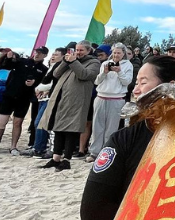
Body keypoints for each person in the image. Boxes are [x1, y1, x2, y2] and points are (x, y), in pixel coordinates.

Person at [80, 55, 175, 220]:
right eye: (136, 83)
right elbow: (94, 207)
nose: (135, 90)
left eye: (143, 83)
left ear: (170, 87)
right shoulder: (125, 139)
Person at [38, 40, 99, 172]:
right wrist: (65, 61)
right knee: (58, 128)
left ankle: (67, 160)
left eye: (81, 50)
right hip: (61, 98)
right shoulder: (70, 60)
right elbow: (56, 74)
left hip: (77, 101)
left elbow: (84, 75)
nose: (78, 52)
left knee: (71, 130)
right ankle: (56, 158)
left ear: (89, 51)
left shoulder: (94, 62)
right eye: (77, 50)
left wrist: (73, 62)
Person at [0, 47, 49, 155]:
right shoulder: (22, 61)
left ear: (45, 55)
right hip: (9, 95)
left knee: (18, 122)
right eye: (36, 52)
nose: (37, 54)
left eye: (40, 53)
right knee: (1, 122)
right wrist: (9, 58)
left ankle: (13, 147)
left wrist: (34, 83)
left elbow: (43, 84)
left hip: (24, 98)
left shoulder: (44, 69)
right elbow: (7, 66)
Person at [87, 43, 133, 163]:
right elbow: (97, 81)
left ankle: (107, 152)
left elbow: (127, 82)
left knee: (111, 128)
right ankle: (94, 153)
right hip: (101, 97)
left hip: (117, 99)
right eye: (114, 52)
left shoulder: (128, 65)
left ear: (123, 54)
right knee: (97, 127)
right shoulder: (104, 64)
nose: (116, 55)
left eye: (119, 52)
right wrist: (104, 72)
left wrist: (119, 72)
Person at [22, 47, 65, 158]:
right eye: (53, 54)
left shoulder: (61, 68)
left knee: (41, 123)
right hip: (42, 98)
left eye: (56, 54)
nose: (53, 56)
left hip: (50, 99)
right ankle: (38, 147)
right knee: (38, 123)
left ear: (63, 57)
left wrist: (41, 88)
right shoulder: (51, 67)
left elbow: (55, 84)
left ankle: (40, 148)